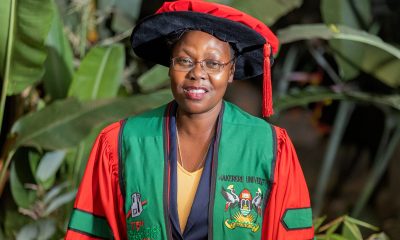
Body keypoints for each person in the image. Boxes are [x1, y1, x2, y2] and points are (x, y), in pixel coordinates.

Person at [65, 1, 314, 239]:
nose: (197, 73)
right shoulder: (122, 142)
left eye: (213, 63)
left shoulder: (268, 147)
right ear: (170, 66)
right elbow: (89, 234)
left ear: (231, 71)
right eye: (184, 60)